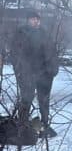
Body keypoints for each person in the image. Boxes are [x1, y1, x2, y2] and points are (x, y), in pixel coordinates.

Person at [5, 9, 59, 138]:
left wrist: (53, 69)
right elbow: (15, 55)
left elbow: (52, 52)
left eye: (37, 19)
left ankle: (44, 125)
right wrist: (21, 72)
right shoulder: (21, 34)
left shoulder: (44, 34)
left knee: (44, 100)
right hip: (27, 74)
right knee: (26, 99)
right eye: (32, 19)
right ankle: (22, 125)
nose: (35, 21)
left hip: (45, 74)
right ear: (28, 20)